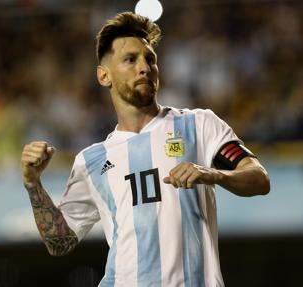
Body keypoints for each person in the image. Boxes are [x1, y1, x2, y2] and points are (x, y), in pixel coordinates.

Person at [21, 12, 270, 287]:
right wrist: (33, 183)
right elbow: (60, 242)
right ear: (104, 76)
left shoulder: (199, 125)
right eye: (130, 60)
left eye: (150, 59)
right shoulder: (91, 161)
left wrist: (213, 175)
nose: (144, 67)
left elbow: (258, 178)